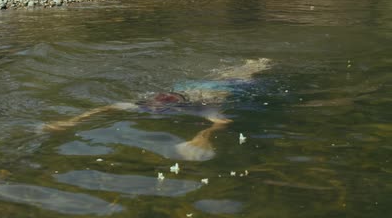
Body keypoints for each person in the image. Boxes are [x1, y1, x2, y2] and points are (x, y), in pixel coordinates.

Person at [45, 58, 272, 161]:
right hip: (191, 86)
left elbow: (222, 121)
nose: (152, 108)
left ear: (173, 107)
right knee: (221, 74)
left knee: (243, 75)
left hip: (221, 88)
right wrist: (72, 121)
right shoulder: (148, 102)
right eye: (152, 106)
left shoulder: (200, 108)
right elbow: (108, 107)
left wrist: (202, 137)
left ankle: (259, 63)